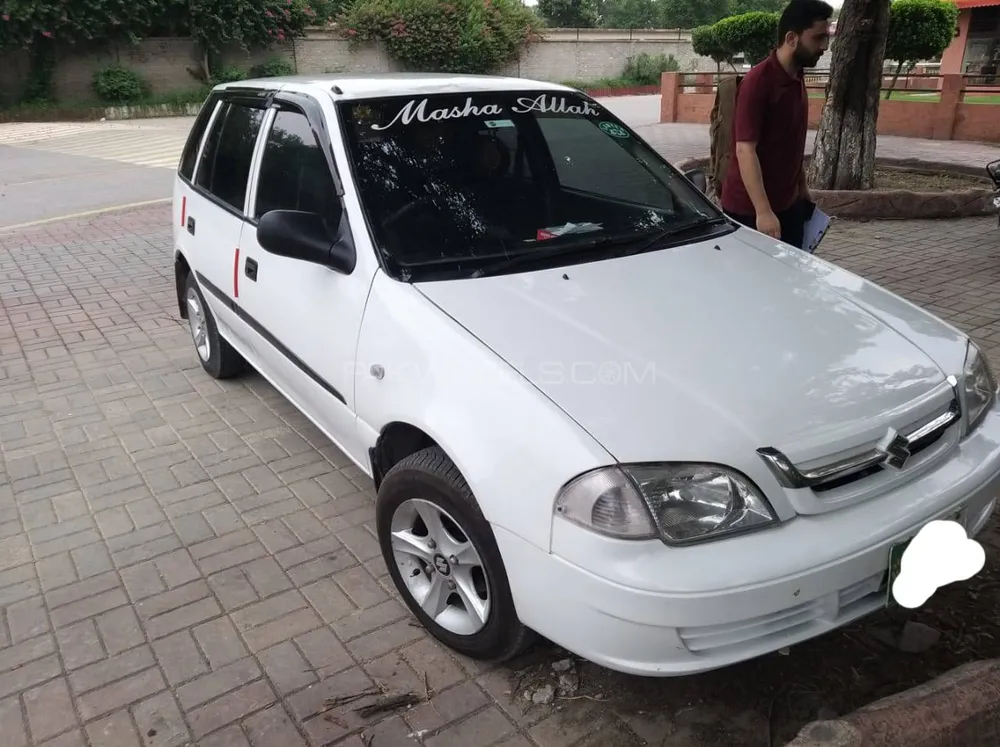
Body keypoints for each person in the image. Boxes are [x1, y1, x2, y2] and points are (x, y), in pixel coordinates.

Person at [720, 0, 833, 249]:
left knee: (790, 282)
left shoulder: (796, 78)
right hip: (751, 212)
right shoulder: (758, 82)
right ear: (792, 38)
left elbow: (790, 142)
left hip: (789, 206)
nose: (824, 47)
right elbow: (745, 150)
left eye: (826, 39)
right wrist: (763, 211)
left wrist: (802, 189)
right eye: (818, 38)